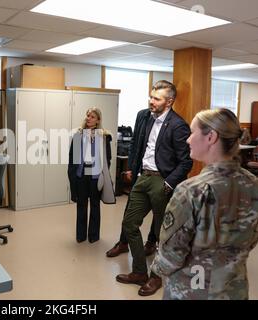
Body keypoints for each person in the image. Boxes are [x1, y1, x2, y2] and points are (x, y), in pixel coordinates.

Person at [150, 108, 258, 300]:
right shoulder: (254, 184)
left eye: (193, 133)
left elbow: (171, 256)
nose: (188, 139)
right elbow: (251, 240)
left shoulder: (192, 190)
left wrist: (157, 268)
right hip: (234, 290)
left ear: (211, 137)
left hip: (191, 291)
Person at [114, 80, 193, 296]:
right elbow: (143, 147)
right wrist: (136, 170)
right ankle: (139, 271)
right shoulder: (148, 119)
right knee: (130, 223)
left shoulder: (178, 125)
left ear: (169, 101)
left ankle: (156, 277)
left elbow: (186, 162)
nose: (151, 101)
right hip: (143, 177)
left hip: (162, 180)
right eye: (151, 96)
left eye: (156, 98)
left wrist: (168, 184)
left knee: (161, 234)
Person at [68, 107, 114, 243]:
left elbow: (108, 158)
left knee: (95, 205)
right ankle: (81, 235)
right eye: (88, 115)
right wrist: (72, 177)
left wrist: (103, 175)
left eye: (92, 116)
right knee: (81, 205)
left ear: (98, 120)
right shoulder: (78, 135)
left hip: (95, 175)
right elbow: (73, 158)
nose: (89, 118)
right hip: (82, 174)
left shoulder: (104, 136)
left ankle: (93, 236)